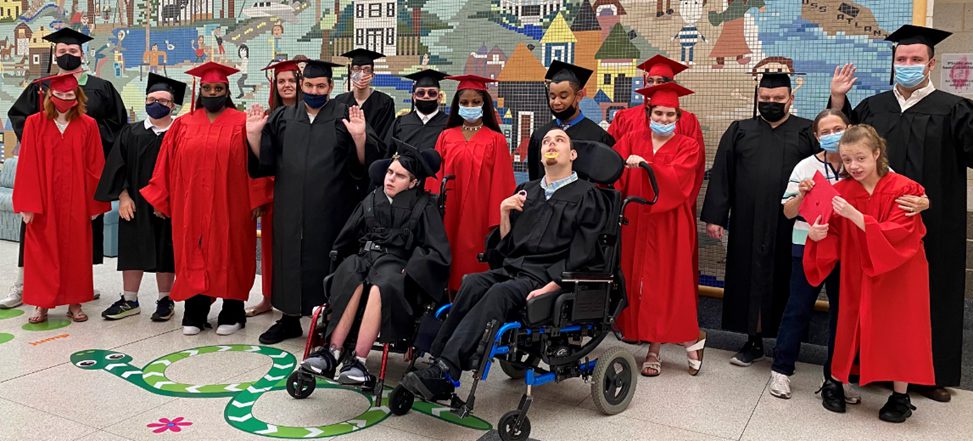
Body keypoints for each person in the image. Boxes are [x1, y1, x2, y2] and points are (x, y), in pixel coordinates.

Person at [401, 127, 608, 400]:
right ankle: (436, 361)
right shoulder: (527, 191)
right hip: (513, 269)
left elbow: (584, 253)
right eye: (546, 141)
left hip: (544, 276)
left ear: (572, 154)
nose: (551, 144)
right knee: (472, 282)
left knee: (500, 293)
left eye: (559, 140)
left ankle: (447, 371)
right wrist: (504, 212)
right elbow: (506, 249)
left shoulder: (586, 195)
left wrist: (551, 287)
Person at [828, 24, 973, 402]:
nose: (908, 64)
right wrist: (839, 100)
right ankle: (874, 367)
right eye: (901, 59)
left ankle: (931, 374)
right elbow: (846, 147)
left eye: (916, 59)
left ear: (931, 63)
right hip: (877, 223)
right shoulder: (875, 106)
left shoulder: (953, 108)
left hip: (934, 223)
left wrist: (929, 200)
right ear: (893, 63)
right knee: (875, 293)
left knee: (932, 294)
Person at [804, 124, 935, 423]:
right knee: (849, 322)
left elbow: (902, 233)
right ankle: (834, 383)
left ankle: (900, 396)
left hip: (901, 274)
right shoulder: (841, 190)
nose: (854, 166)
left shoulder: (905, 189)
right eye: (847, 159)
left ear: (877, 153)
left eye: (860, 158)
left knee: (900, 329)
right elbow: (830, 230)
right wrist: (817, 233)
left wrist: (857, 216)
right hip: (856, 269)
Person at [246, 60, 383, 344]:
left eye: (321, 86)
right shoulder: (283, 117)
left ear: (331, 87)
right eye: (308, 85)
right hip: (290, 207)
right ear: (300, 86)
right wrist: (253, 135)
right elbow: (265, 163)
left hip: (331, 208)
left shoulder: (346, 116)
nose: (314, 91)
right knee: (288, 258)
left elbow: (364, 167)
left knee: (327, 259)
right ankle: (289, 320)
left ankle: (329, 320)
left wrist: (359, 138)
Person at [301, 144, 451, 384]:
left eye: (399, 175)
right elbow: (346, 237)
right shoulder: (371, 200)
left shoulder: (424, 207)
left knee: (383, 283)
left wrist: (412, 268)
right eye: (389, 172)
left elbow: (437, 251)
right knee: (350, 273)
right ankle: (332, 352)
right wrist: (339, 259)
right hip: (365, 257)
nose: (391, 179)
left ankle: (359, 361)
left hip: (397, 263)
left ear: (413, 182)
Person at [141, 62, 270, 336]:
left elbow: (257, 162)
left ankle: (232, 311)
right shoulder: (183, 124)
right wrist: (161, 199)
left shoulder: (241, 121)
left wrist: (257, 198)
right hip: (191, 206)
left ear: (227, 90)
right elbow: (165, 163)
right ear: (200, 91)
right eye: (208, 88)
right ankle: (195, 311)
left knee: (231, 252)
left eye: (219, 88)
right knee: (193, 253)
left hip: (232, 204)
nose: (213, 92)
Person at [2, 28, 126, 310]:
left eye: (73, 51)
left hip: (80, 174)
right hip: (45, 176)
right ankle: (25, 287)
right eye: (62, 51)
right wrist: (44, 144)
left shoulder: (101, 87)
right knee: (36, 234)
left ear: (83, 54)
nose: (68, 55)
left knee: (79, 238)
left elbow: (116, 125)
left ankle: (77, 289)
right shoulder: (41, 87)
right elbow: (18, 116)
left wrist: (82, 137)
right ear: (54, 54)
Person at [701, 73, 817, 367]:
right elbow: (722, 175)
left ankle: (785, 344)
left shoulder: (806, 132)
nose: (771, 104)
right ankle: (752, 341)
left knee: (788, 280)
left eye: (778, 99)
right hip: (747, 220)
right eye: (765, 99)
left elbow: (825, 167)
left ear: (791, 99)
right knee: (748, 279)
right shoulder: (740, 130)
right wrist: (716, 217)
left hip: (792, 222)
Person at [613, 83, 706, 377]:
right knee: (636, 280)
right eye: (659, 113)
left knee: (664, 283)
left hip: (670, 224)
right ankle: (654, 338)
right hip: (636, 221)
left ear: (678, 118)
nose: (664, 119)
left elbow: (679, 181)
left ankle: (659, 347)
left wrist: (646, 166)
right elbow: (612, 172)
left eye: (670, 115)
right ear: (649, 113)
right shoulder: (630, 139)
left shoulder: (687, 146)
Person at [12, 73, 110, 323]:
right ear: (50, 96)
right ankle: (42, 304)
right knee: (41, 253)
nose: (66, 99)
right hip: (44, 201)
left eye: (70, 95)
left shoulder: (88, 125)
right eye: (60, 95)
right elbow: (27, 165)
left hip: (77, 200)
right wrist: (27, 204)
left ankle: (74, 303)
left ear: (78, 97)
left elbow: (95, 165)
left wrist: (95, 203)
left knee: (76, 252)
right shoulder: (35, 123)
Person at [95, 74, 187, 322]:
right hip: (134, 203)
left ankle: (165, 299)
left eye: (163, 100)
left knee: (166, 250)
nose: (156, 103)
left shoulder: (181, 134)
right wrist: (123, 197)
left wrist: (167, 202)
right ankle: (129, 299)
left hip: (169, 205)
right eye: (151, 99)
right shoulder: (131, 133)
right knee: (132, 248)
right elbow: (117, 167)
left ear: (173, 106)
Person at [425, 75, 516, 294]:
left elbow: (502, 183)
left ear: (485, 104)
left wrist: (496, 220)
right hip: (449, 211)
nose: (470, 106)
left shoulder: (495, 139)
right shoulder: (446, 137)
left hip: (480, 213)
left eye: (476, 102)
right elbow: (435, 178)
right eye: (464, 103)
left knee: (474, 256)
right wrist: (433, 211)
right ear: (457, 105)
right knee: (448, 250)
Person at [245, 59, 303, 318]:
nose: (287, 85)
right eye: (282, 81)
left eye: (292, 80)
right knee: (271, 250)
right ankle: (268, 296)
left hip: (307, 193)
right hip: (275, 195)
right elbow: (258, 161)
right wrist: (259, 198)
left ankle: (305, 298)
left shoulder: (314, 116)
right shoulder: (267, 119)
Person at [526, 60, 613, 181]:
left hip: (584, 200)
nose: (556, 102)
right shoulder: (540, 135)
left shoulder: (598, 137)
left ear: (579, 96)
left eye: (563, 96)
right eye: (552, 96)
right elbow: (534, 178)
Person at [335, 49, 396, 143]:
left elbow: (385, 137)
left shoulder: (385, 102)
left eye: (367, 70)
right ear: (351, 73)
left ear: (372, 75)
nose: (361, 74)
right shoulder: (340, 101)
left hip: (375, 155)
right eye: (357, 69)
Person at [384, 69, 449, 157]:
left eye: (432, 93)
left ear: (439, 97)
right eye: (421, 93)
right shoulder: (400, 122)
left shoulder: (449, 124)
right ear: (414, 97)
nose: (426, 96)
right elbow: (386, 153)